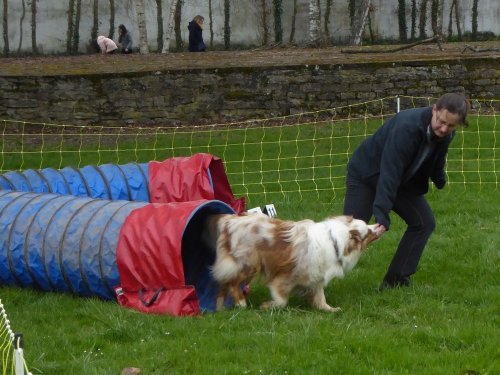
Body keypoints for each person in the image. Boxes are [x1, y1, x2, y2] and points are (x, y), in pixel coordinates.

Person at [343, 93, 470, 290]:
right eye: (441, 122)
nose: (444, 129)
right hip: (366, 174)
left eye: (451, 126)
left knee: (423, 222)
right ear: (434, 109)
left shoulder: (446, 134)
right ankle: (304, 277)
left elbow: (438, 157)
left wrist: (439, 179)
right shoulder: (407, 127)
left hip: (401, 181)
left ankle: (396, 280)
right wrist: (382, 216)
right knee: (348, 234)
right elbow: (389, 172)